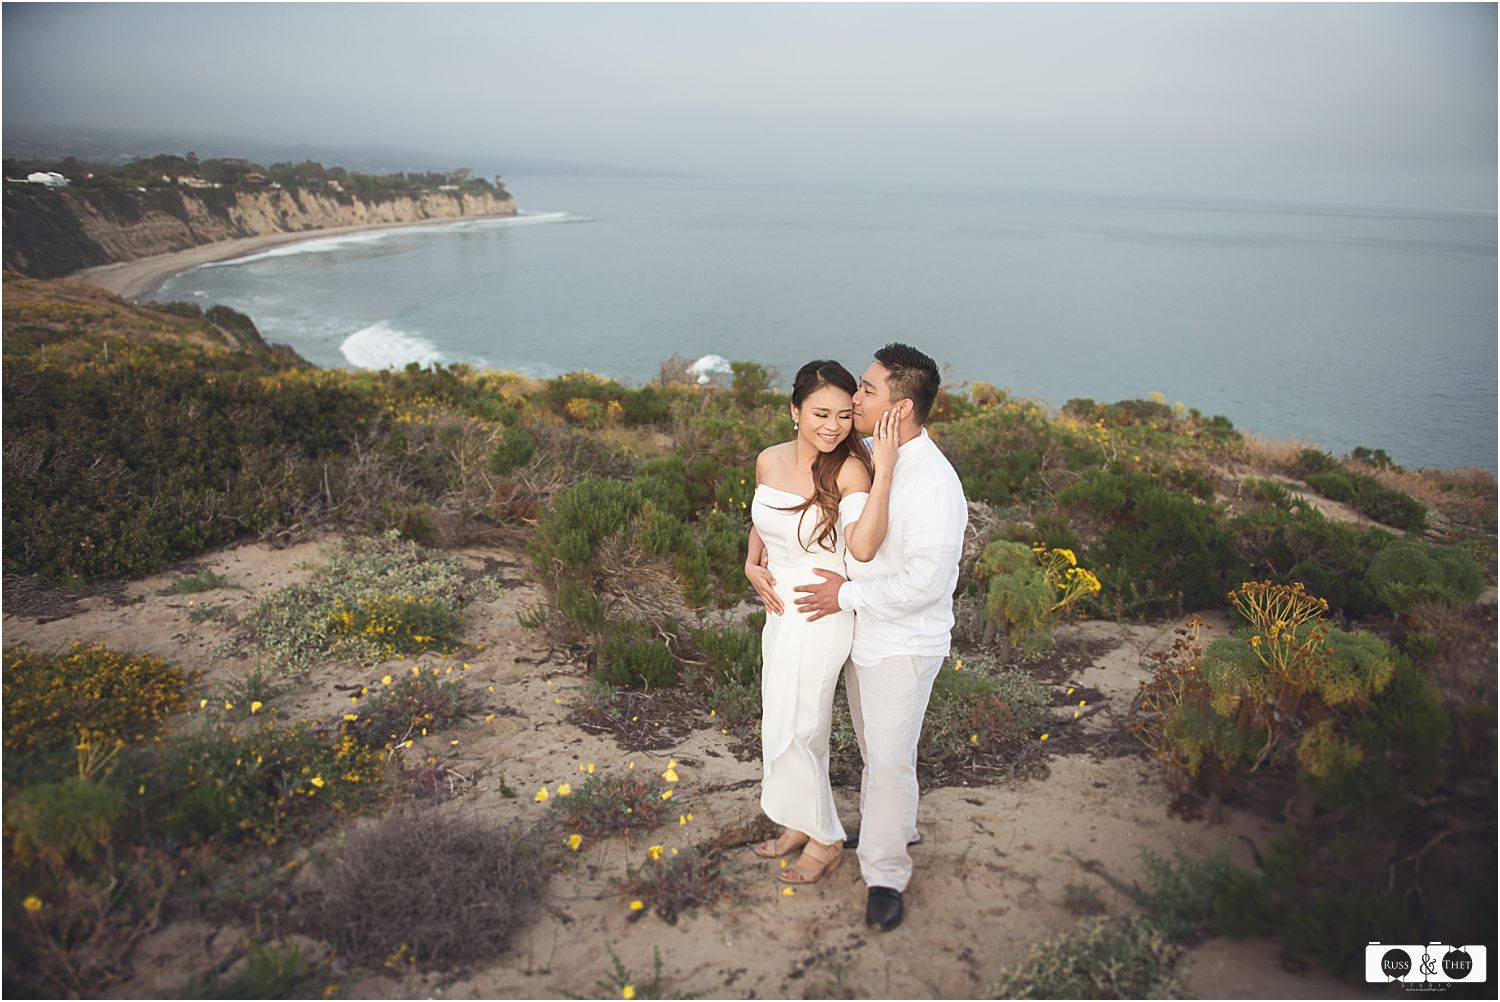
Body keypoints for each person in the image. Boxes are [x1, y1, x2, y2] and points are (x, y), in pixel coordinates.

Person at [793, 342, 968, 932]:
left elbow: (926, 583)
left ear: (903, 409)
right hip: (863, 635)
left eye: (867, 391)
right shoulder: (870, 452)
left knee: (890, 763)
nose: (854, 397)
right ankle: (899, 824)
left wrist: (843, 595)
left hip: (903, 644)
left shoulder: (935, 484)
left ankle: (886, 875)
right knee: (876, 754)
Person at [744, 359, 900, 885]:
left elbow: (863, 545)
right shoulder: (768, 460)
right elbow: (765, 518)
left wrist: (887, 471)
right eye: (819, 413)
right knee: (778, 722)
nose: (833, 426)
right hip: (779, 610)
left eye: (842, 415)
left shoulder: (850, 470)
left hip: (820, 610)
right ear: (794, 411)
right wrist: (750, 561)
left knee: (802, 726)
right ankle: (798, 821)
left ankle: (827, 838)